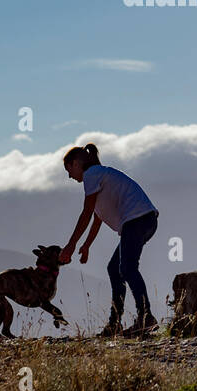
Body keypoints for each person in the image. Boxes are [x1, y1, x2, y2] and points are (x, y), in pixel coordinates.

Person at [60, 142, 160, 336]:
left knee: (127, 268)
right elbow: (97, 219)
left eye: (69, 170)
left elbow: (86, 213)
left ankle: (146, 318)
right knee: (115, 269)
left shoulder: (92, 175)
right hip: (143, 221)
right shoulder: (99, 177)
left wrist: (70, 245)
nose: (70, 176)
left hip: (137, 220)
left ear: (75, 163)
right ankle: (115, 324)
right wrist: (86, 245)